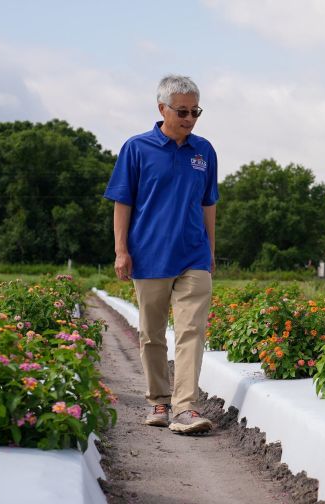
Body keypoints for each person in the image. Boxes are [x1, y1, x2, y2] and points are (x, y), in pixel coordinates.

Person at [104, 74, 218, 435]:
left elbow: (208, 205)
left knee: (191, 331)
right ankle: (159, 401)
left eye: (194, 111)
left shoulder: (204, 152)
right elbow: (123, 203)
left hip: (193, 256)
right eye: (182, 111)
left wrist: (211, 252)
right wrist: (121, 250)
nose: (189, 118)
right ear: (162, 109)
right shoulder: (137, 148)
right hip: (149, 255)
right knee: (151, 334)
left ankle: (185, 408)